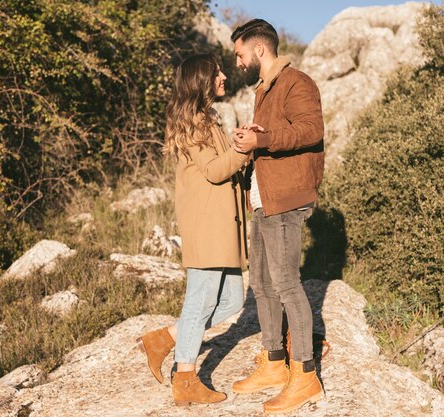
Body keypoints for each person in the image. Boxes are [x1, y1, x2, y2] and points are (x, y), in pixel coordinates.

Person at [138, 54, 249, 407]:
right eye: (215, 71)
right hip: (207, 226)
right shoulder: (193, 122)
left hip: (220, 226)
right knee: (200, 303)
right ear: (200, 80)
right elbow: (216, 170)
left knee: (233, 300)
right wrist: (245, 150)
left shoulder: (207, 119)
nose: (222, 75)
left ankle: (165, 338)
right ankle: (185, 379)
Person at [229, 19, 325, 415]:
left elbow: (311, 131)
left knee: (286, 284)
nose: (237, 62)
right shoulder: (264, 90)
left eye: (239, 55)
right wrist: (252, 142)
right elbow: (273, 140)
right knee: (263, 285)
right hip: (263, 199)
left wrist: (262, 139)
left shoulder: (296, 83)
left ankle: (305, 376)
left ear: (258, 50)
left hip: (286, 201)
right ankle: (273, 362)